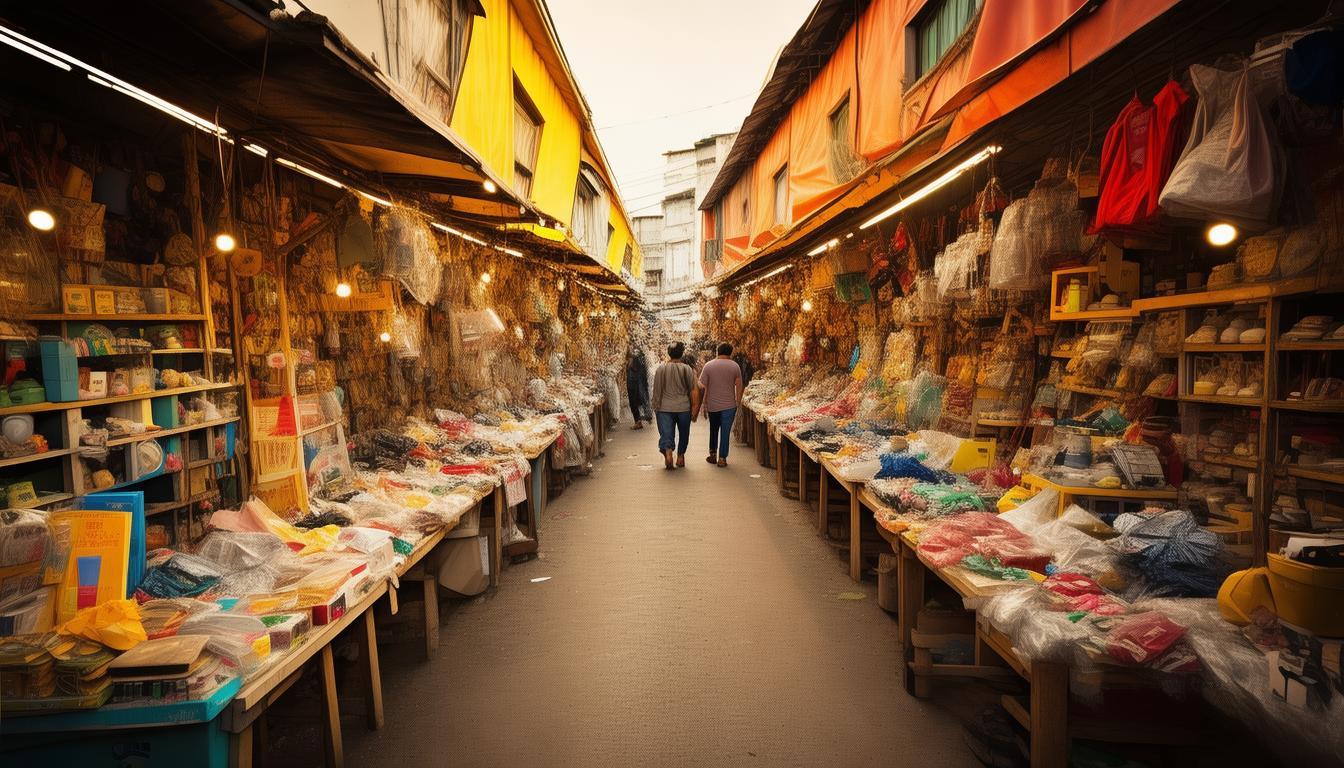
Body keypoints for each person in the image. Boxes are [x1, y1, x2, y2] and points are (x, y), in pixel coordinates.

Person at [650, 342, 700, 470]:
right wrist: (695, 408)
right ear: (682, 354)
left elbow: (657, 390)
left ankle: (668, 451)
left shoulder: (661, 369)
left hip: (664, 408)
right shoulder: (687, 369)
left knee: (666, 433)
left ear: (669, 353)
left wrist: (655, 406)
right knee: (684, 433)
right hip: (683, 408)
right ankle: (681, 457)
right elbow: (693, 390)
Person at [697, 342, 744, 467]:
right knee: (725, 432)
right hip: (729, 405)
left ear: (718, 351)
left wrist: (703, 403)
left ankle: (712, 455)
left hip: (713, 405)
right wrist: (738, 402)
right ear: (730, 352)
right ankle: (722, 458)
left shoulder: (708, 366)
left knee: (714, 429)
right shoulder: (735, 366)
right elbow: (739, 386)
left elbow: (702, 386)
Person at [625, 348, 651, 429]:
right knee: (642, 400)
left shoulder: (633, 358)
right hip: (640, 384)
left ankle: (638, 422)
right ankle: (645, 417)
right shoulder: (641, 357)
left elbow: (630, 366)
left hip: (633, 385)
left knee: (633, 403)